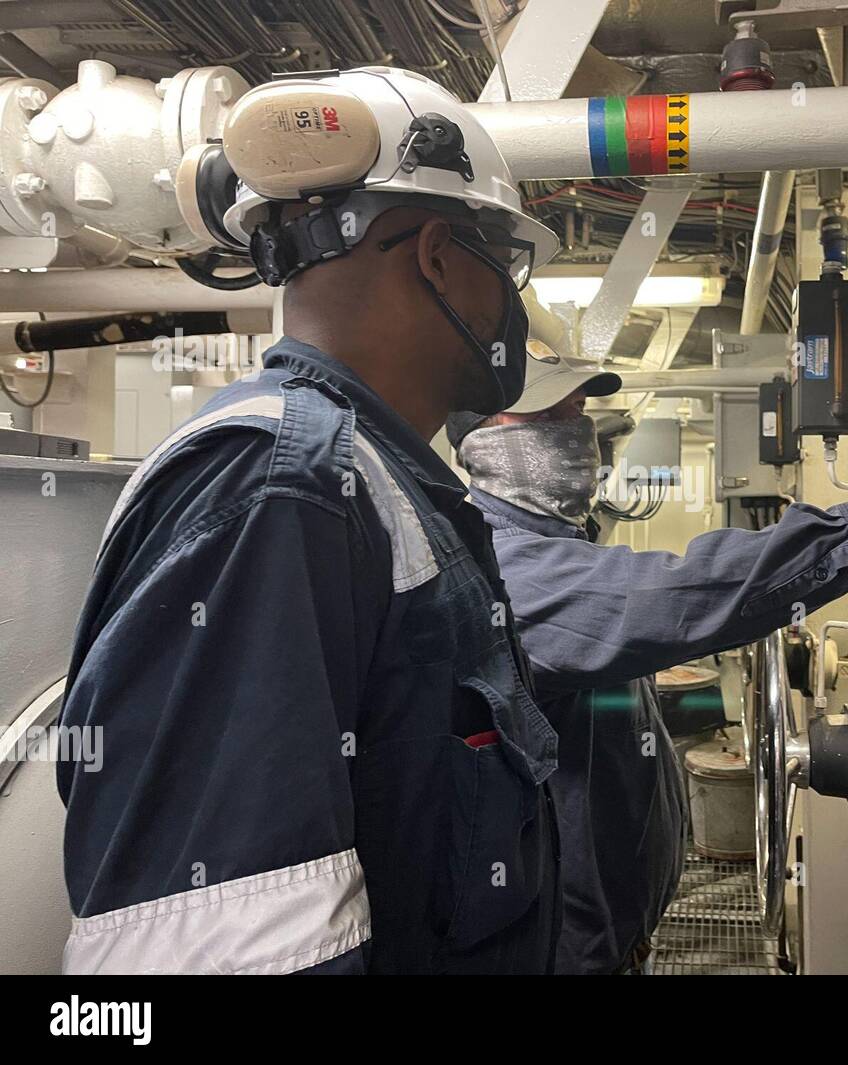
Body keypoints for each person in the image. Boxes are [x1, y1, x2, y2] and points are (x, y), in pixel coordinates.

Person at [57, 68, 566, 974]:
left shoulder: (373, 483)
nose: (511, 306)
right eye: (507, 266)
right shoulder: (283, 491)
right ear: (441, 255)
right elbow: (228, 945)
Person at [446, 357, 848, 974]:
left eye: (578, 411)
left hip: (608, 931)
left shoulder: (561, 547)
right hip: (562, 950)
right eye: (546, 415)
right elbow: (681, 591)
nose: (574, 428)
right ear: (482, 438)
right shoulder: (507, 570)